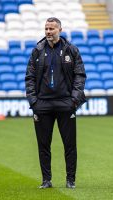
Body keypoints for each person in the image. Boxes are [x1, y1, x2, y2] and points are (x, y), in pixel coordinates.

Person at [25, 17, 86, 189]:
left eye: (52, 28)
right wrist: (33, 101)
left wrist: (74, 99)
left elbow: (80, 76)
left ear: (60, 29)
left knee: (70, 145)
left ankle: (70, 180)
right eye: (46, 29)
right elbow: (29, 77)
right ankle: (46, 180)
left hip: (65, 104)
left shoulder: (71, 50)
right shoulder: (37, 50)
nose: (48, 32)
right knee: (43, 145)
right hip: (42, 104)